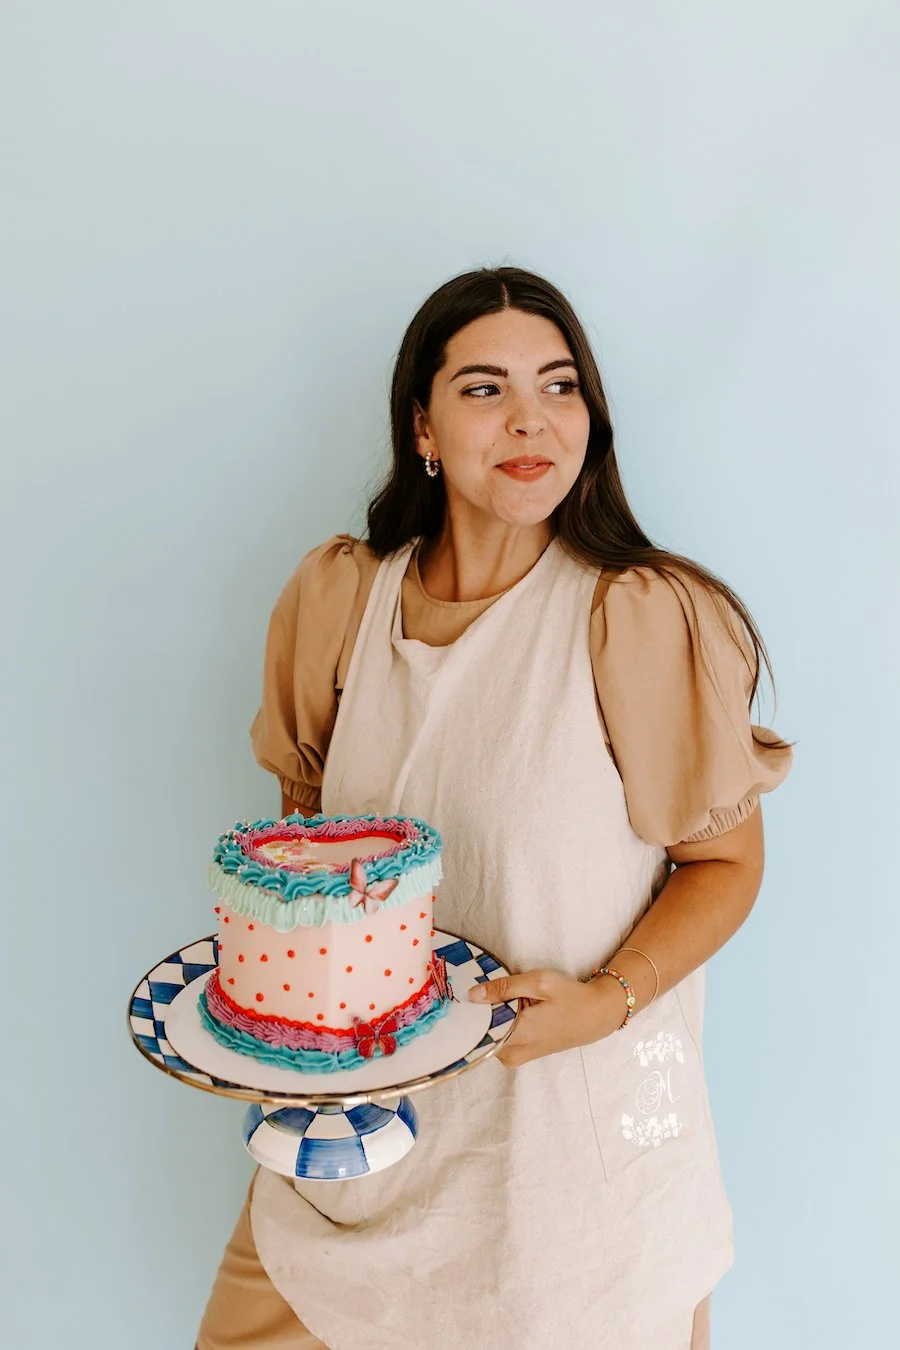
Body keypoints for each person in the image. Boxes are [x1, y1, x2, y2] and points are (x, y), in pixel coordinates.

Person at [196, 267, 792, 1350]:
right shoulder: (339, 603)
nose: (531, 418)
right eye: (485, 388)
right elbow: (310, 861)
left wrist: (609, 999)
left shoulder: (637, 617)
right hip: (353, 1155)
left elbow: (725, 865)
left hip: (565, 1186)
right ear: (422, 425)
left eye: (560, 387)